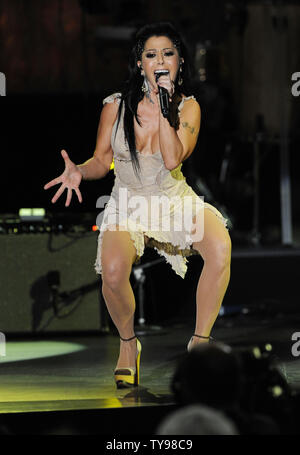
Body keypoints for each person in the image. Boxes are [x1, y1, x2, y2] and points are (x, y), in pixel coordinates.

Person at [44, 22, 232, 389]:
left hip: (172, 200)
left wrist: (165, 110)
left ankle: (200, 344)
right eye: (151, 55)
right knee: (113, 273)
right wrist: (80, 172)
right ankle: (129, 344)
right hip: (127, 201)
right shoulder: (115, 107)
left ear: (179, 62)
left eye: (167, 53)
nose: (159, 60)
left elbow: (174, 158)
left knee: (220, 246)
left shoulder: (187, 108)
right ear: (140, 64)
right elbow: (101, 160)